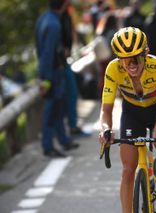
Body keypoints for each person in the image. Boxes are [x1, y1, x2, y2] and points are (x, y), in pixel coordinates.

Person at [98, 27, 156, 213]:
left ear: (146, 53)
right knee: (128, 170)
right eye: (125, 60)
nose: (131, 64)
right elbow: (106, 109)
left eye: (136, 58)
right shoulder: (113, 69)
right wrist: (105, 129)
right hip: (132, 112)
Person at [35, 0, 79, 157]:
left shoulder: (43, 18)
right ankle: (48, 146)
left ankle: (63, 140)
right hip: (53, 72)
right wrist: (46, 78)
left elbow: (40, 49)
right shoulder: (54, 24)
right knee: (51, 110)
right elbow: (48, 52)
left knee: (58, 108)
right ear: (63, 4)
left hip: (50, 70)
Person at [60, 2, 90, 137]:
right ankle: (69, 130)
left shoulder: (66, 14)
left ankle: (72, 128)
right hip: (59, 64)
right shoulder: (56, 18)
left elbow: (74, 32)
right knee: (66, 97)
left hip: (65, 61)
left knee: (72, 95)